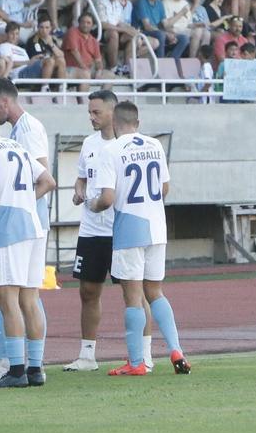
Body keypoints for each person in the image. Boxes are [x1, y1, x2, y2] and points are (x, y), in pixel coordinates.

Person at [92, 100, 189, 375]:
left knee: (133, 298)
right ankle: (176, 349)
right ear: (138, 122)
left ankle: (136, 362)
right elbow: (165, 187)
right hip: (158, 227)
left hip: (129, 230)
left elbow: (107, 198)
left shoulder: (110, 150)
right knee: (155, 292)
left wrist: (92, 204)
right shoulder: (155, 146)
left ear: (115, 123)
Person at [0, 101, 55, 388]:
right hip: (33, 226)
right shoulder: (18, 147)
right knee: (30, 298)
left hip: (8, 227)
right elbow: (48, 180)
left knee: (7, 298)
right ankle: (35, 368)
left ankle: (15, 369)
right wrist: (26, 200)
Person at [62, 87, 117, 372]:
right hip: (92, 230)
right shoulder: (89, 144)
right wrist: (79, 192)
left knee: (137, 292)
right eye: (89, 112)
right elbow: (81, 178)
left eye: (96, 112)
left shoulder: (127, 145)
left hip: (122, 230)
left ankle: (141, 353)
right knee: (87, 290)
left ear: (112, 113)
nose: (91, 117)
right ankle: (87, 355)